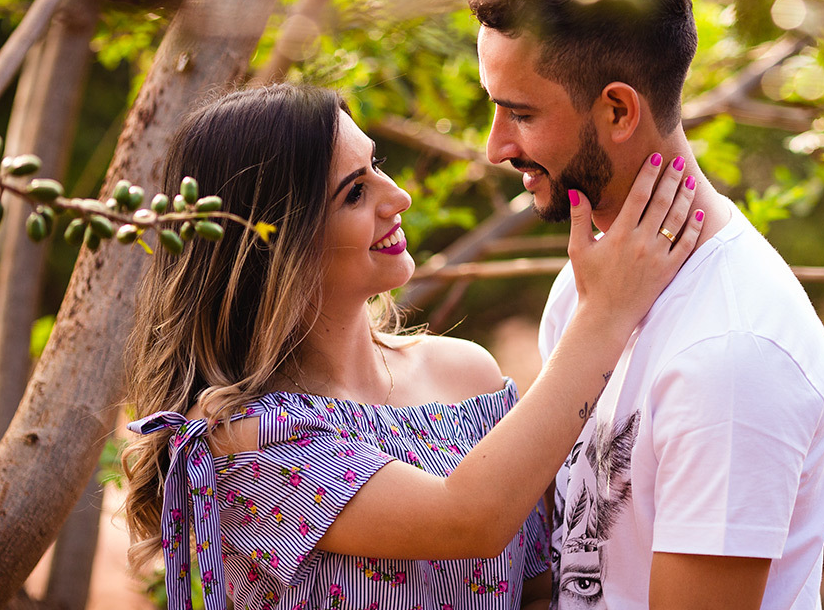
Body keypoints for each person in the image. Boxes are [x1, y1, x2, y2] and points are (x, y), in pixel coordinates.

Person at [122, 83, 704, 610]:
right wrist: (605, 313)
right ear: (278, 247)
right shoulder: (241, 438)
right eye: (354, 193)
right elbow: (467, 520)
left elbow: (536, 592)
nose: (396, 196)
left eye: (377, 166)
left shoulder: (467, 377)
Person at [470, 0, 824, 610]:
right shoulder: (594, 285)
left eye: (519, 114)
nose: (495, 148)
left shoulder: (733, 353)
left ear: (616, 109)